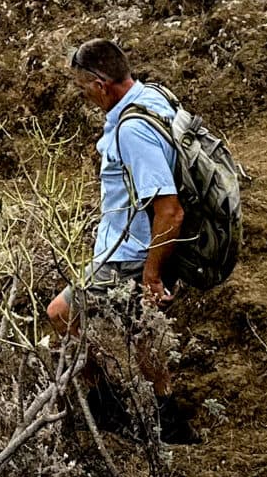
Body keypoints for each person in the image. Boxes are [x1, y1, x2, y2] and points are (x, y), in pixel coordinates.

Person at [48, 37, 194, 435]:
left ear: (100, 84)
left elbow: (170, 210)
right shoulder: (154, 98)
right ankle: (170, 423)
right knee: (143, 333)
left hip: (130, 253)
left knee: (60, 313)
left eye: (84, 89)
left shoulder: (132, 132)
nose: (86, 98)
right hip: (135, 247)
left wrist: (151, 274)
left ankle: (106, 408)